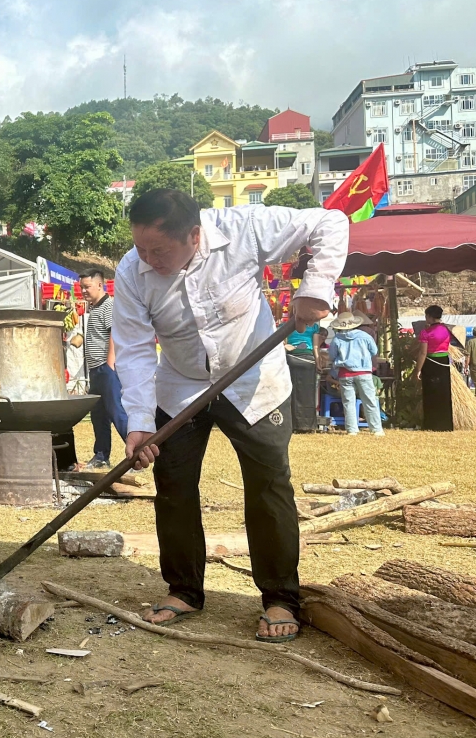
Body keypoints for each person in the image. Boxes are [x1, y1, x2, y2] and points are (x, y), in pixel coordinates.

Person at [113, 189, 348, 643]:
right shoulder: (131, 270)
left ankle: (280, 596)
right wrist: (140, 421)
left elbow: (330, 221)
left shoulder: (244, 228)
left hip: (254, 381)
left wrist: (315, 288)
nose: (148, 259)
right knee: (174, 486)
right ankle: (183, 589)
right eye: (141, 248)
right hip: (180, 387)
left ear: (195, 235)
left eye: (159, 250)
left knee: (268, 485)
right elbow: (137, 349)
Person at [79, 269, 128, 468]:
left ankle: (138, 453)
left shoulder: (108, 305)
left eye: (87, 287)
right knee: (98, 415)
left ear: (100, 285)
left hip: (105, 369)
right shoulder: (94, 308)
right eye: (81, 287)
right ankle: (101, 456)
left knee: (117, 411)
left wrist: (110, 364)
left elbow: (114, 334)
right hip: (95, 371)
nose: (83, 291)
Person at [328, 313, 384, 436]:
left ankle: (352, 430)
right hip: (364, 372)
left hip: (345, 373)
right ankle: (376, 430)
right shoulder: (365, 336)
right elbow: (374, 351)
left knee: (348, 402)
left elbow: (332, 356)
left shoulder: (337, 339)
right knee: (370, 400)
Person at [413, 305, 454, 431]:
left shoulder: (426, 333)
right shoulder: (447, 330)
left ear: (430, 317)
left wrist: (418, 369)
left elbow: (423, 353)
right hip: (444, 361)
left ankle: (431, 424)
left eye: (426, 316)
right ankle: (446, 424)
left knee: (430, 393)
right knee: (444, 393)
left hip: (431, 362)